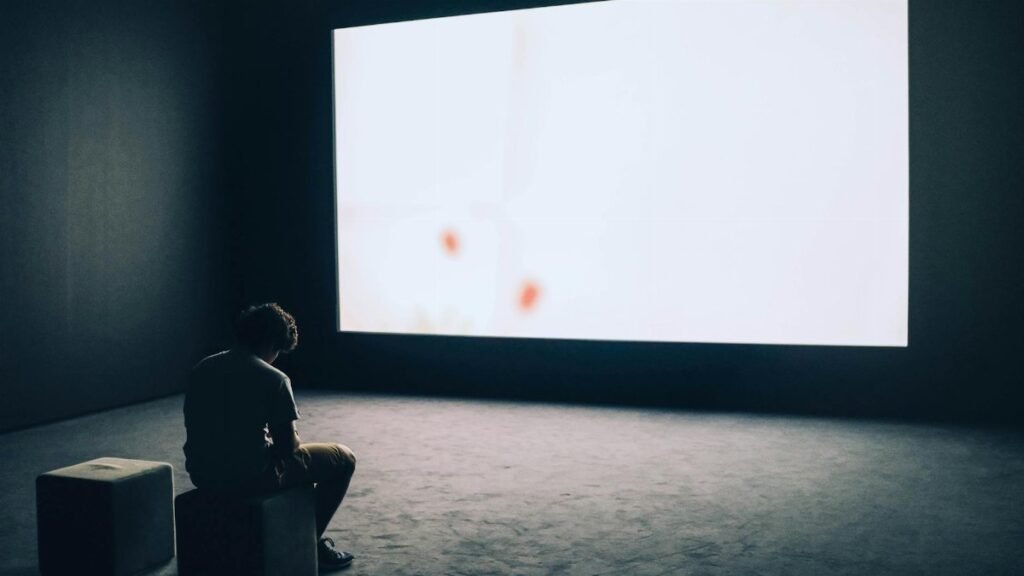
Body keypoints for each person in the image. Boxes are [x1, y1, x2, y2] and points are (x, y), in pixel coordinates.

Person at [183, 303, 356, 570]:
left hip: (203, 473)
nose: (276, 357)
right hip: (250, 476)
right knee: (343, 459)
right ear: (271, 342)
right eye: (278, 350)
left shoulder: (202, 368)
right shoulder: (274, 378)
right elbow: (288, 448)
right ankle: (309, 544)